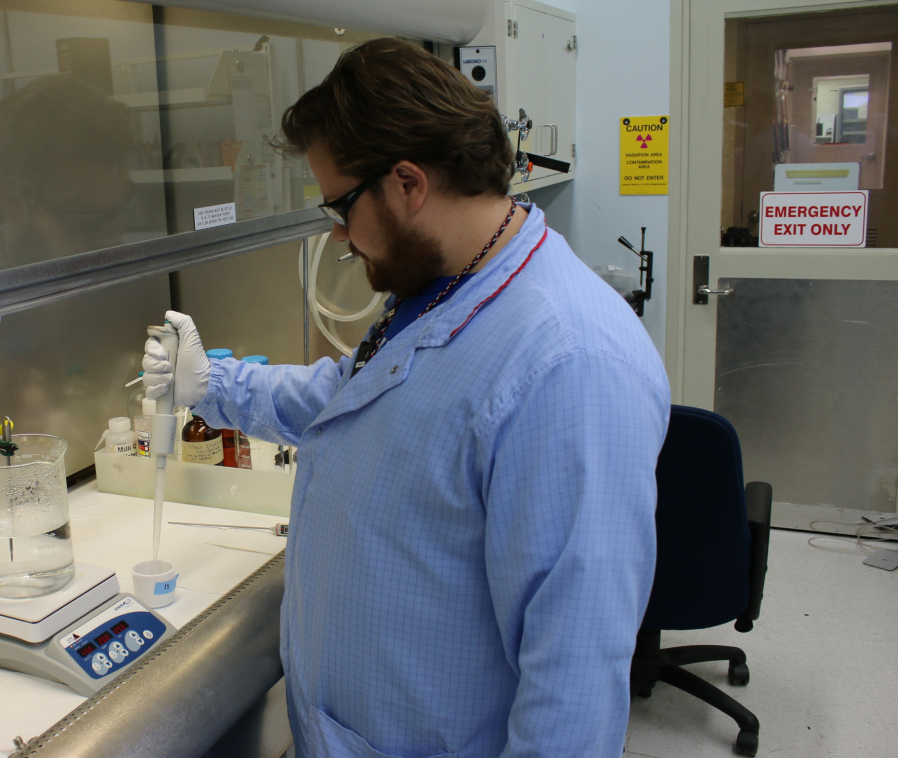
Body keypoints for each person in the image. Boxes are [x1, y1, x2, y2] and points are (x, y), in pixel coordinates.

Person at [142, 39, 670, 757]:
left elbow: (572, 682)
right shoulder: (446, 286)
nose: (338, 232)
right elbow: (359, 400)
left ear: (407, 184)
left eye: (340, 204)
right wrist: (215, 387)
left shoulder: (568, 365)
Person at [0, 75, 139, 286]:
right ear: (13, 201)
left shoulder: (141, 274)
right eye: (84, 218)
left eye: (120, 208)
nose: (114, 236)